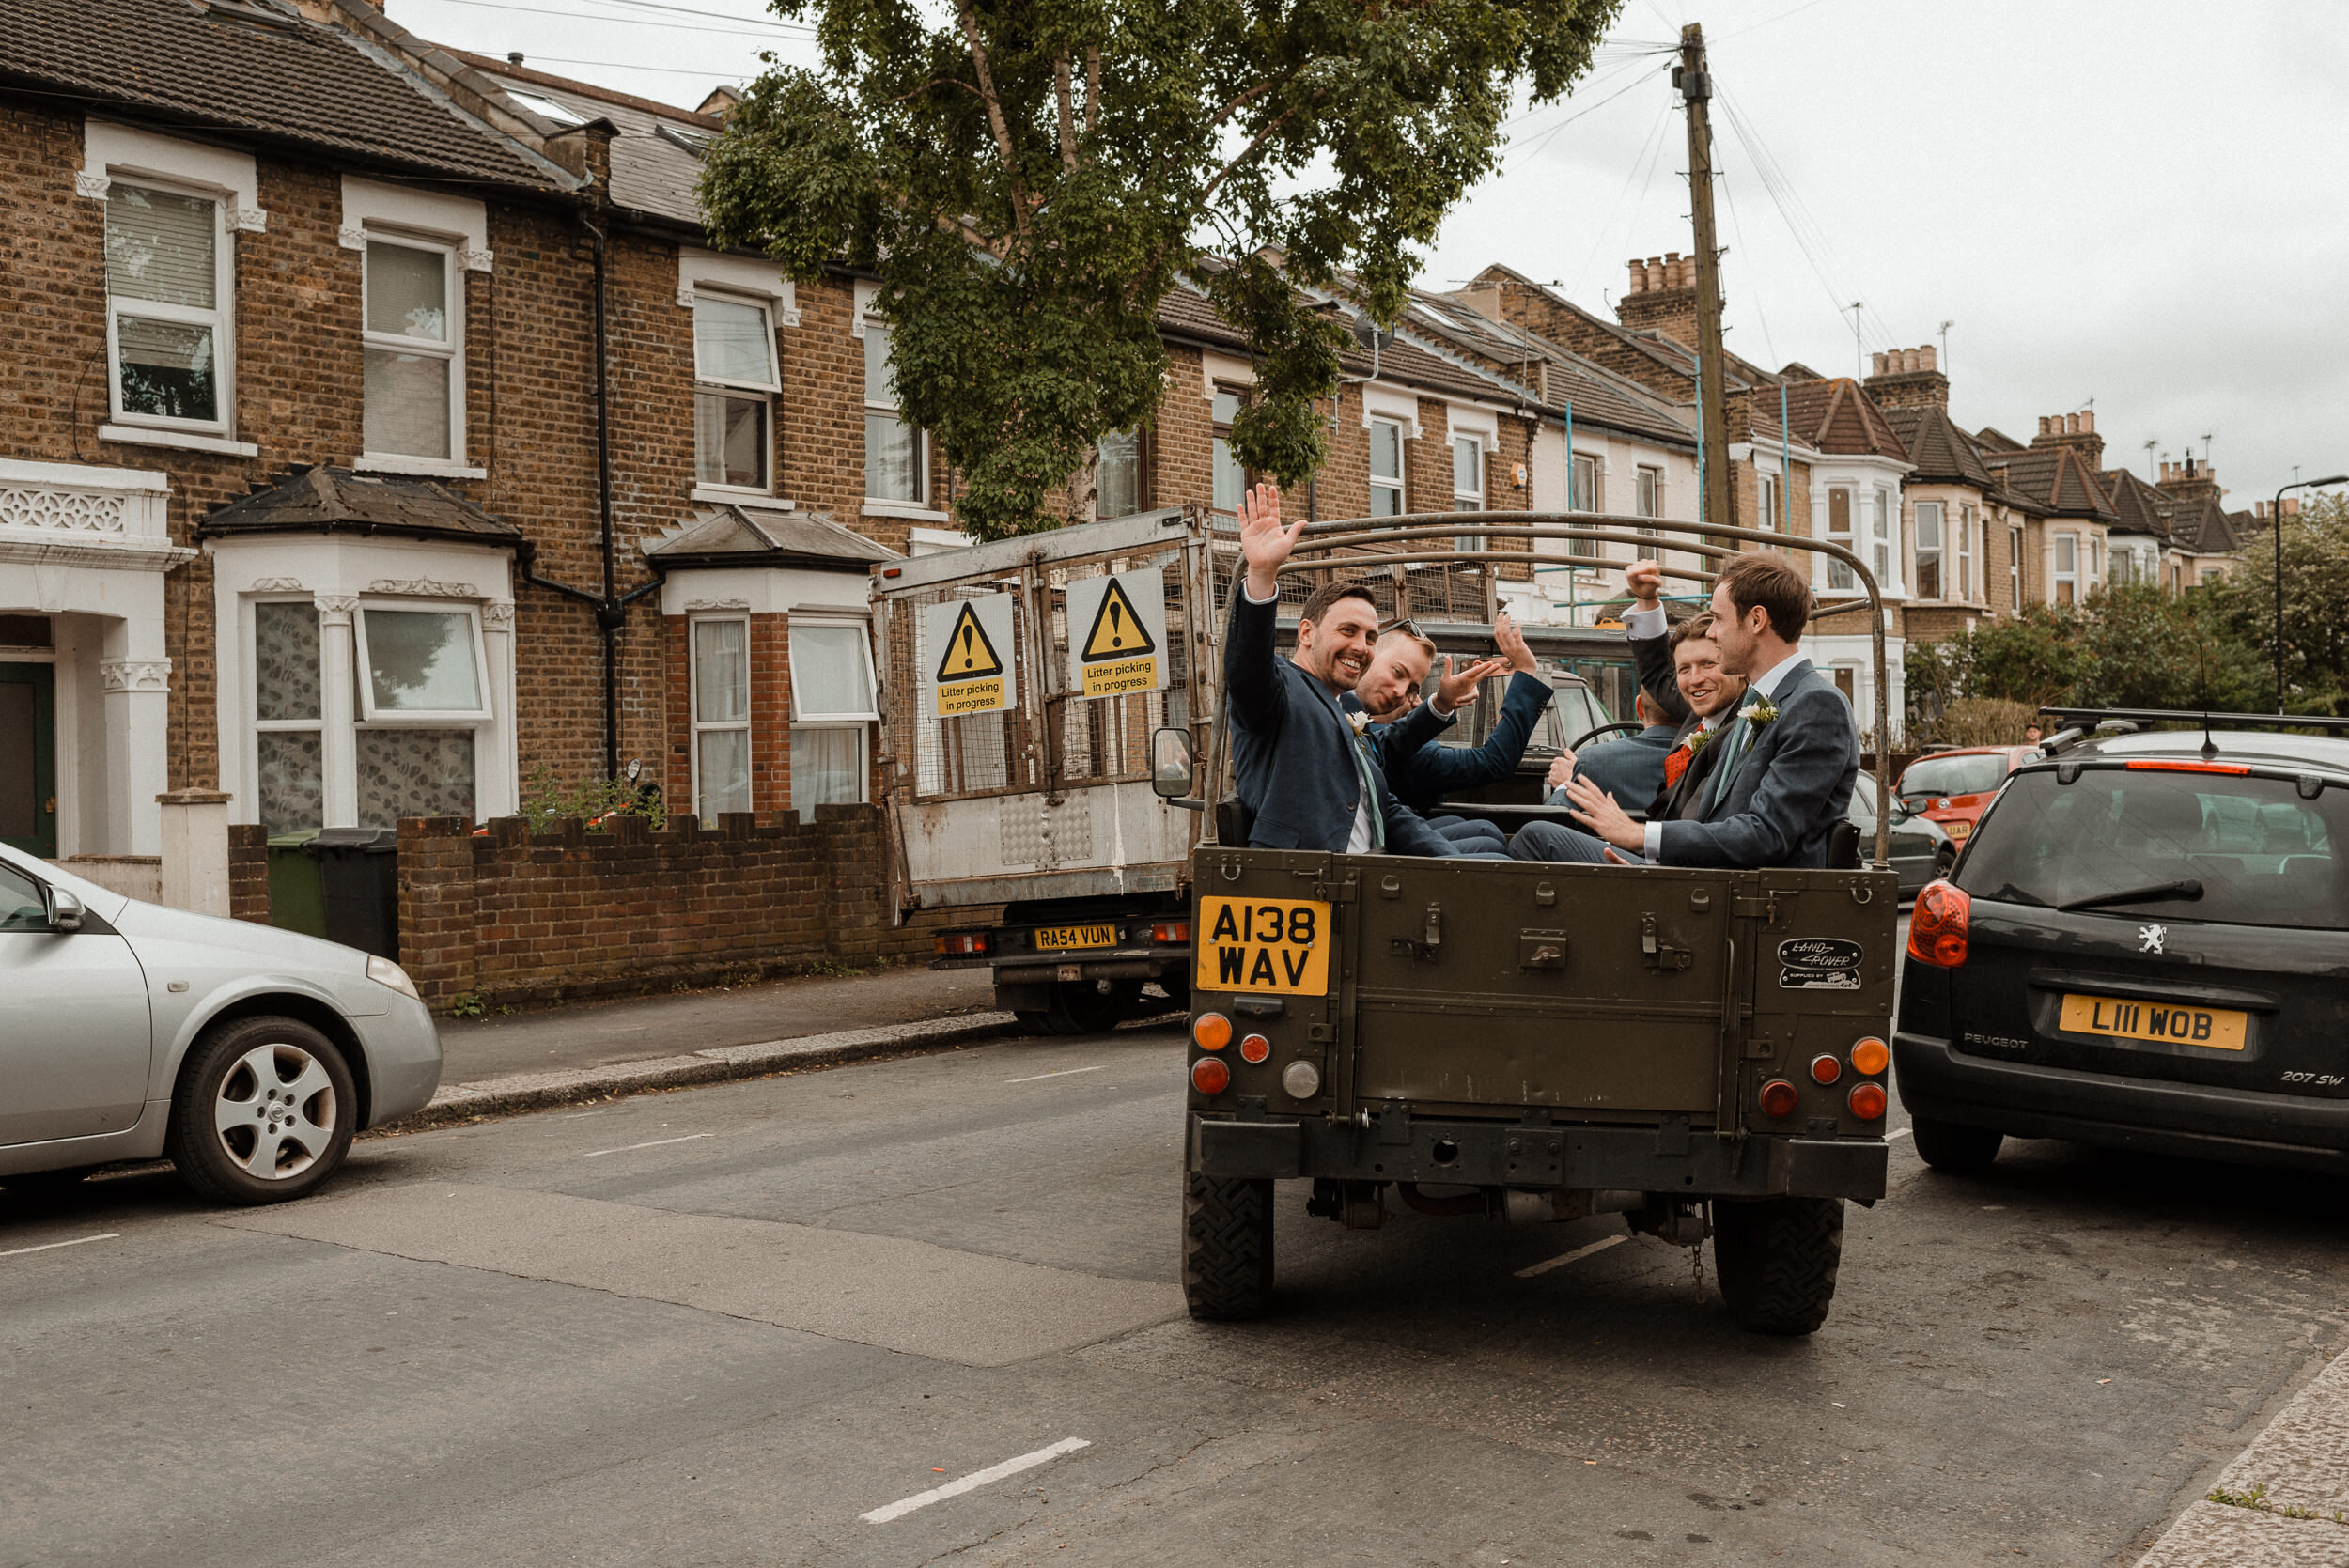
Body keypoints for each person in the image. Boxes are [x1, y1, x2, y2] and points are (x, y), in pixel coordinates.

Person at [1511, 551, 1858, 869]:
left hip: (1739, 898)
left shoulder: (1815, 705)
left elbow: (1766, 834)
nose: (1711, 631)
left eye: (1719, 619)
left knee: (1536, 836)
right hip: (1692, 875)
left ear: (1756, 620)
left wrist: (1637, 836)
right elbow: (1663, 679)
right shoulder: (1755, 697)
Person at [1221, 481, 1464, 856]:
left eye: (1370, 638)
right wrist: (1262, 575)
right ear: (1306, 633)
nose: (1360, 647)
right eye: (1347, 631)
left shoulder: (1342, 705)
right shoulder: (1280, 687)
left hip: (1368, 874)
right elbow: (1246, 670)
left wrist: (1455, 863)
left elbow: (1379, 804)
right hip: (1304, 881)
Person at [1349, 613, 1552, 850]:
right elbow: (1495, 762)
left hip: (1389, 832)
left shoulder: (1369, 731)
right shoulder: (1405, 752)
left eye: (1414, 689)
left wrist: (1440, 705)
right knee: (1492, 845)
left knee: (1486, 831)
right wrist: (1526, 671)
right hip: (1381, 845)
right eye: (1397, 672)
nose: (1407, 697)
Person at [1544, 689, 1676, 812]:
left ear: (1639, 707)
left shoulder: (1592, 762)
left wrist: (1569, 784)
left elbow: (1550, 824)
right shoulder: (1695, 760)